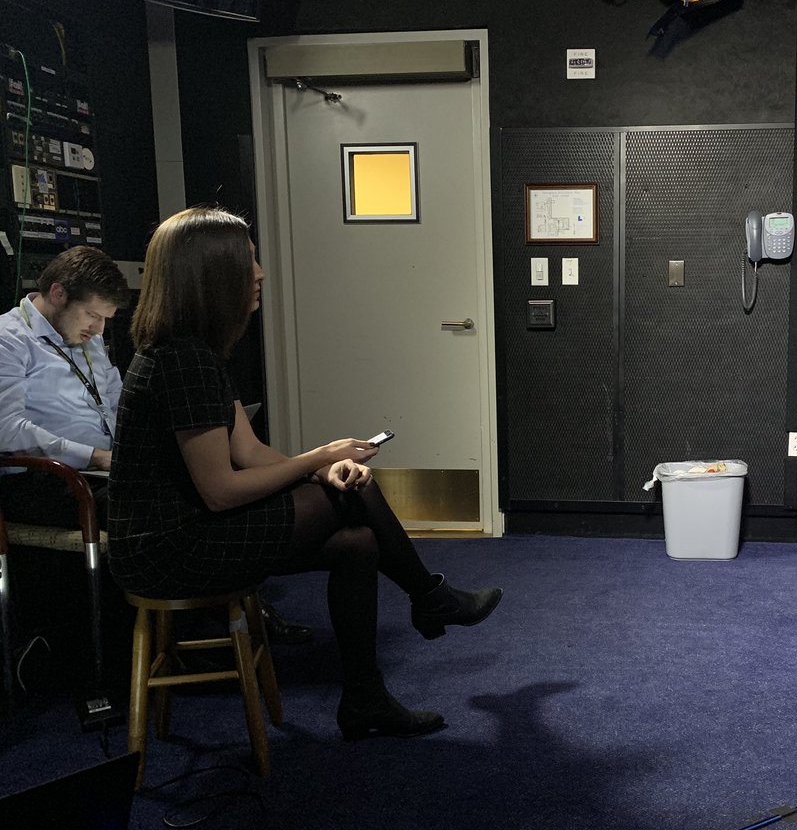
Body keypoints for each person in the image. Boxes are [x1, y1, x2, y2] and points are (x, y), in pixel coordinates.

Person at [108, 206, 502, 739]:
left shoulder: (195, 353)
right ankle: (431, 598)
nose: (259, 273)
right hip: (169, 551)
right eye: (248, 261)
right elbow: (222, 491)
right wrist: (320, 459)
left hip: (189, 532)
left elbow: (251, 453)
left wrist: (324, 468)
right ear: (211, 275)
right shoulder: (184, 362)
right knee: (354, 496)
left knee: (358, 542)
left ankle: (367, 697)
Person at [0, 246, 313, 646]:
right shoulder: (9, 339)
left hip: (106, 470)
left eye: (105, 319)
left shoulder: (86, 338)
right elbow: (7, 431)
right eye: (93, 315)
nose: (99, 329)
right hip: (48, 482)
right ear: (58, 294)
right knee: (184, 501)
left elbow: (118, 406)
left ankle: (225, 618)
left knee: (202, 477)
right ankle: (211, 627)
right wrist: (94, 456)